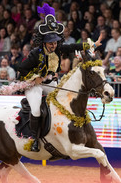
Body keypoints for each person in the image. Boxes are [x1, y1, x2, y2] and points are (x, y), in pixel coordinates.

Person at [17, 12, 102, 152]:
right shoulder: (35, 54)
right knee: (37, 109)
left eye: (55, 42)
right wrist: (34, 78)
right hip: (34, 86)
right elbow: (21, 69)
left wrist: (92, 44)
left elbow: (73, 46)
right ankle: (34, 140)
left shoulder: (57, 49)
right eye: (51, 43)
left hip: (50, 83)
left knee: (64, 102)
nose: (54, 45)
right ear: (44, 43)